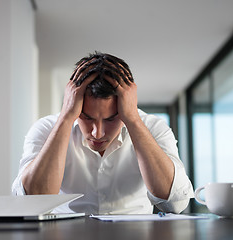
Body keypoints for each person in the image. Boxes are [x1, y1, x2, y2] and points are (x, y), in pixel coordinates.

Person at [12, 52, 194, 214]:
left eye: (110, 119)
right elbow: (31, 203)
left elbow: (175, 204)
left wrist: (132, 120)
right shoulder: (45, 129)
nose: (97, 133)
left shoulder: (153, 128)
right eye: (87, 117)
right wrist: (67, 117)